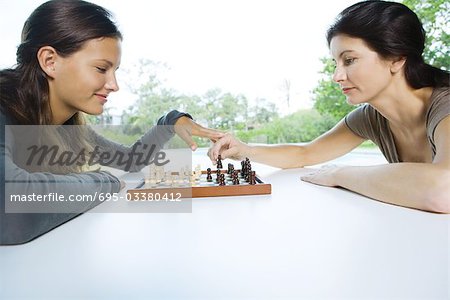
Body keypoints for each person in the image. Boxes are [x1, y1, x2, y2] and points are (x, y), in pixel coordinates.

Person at [0, 0, 224, 245]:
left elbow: (131, 160)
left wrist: (170, 121)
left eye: (115, 70)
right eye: (101, 69)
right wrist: (104, 181)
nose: (114, 85)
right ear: (50, 61)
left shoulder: (68, 129)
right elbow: (12, 209)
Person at [209, 0, 449, 213]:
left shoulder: (444, 104)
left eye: (349, 60)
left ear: (397, 58)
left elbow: (443, 190)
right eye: (336, 63)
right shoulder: (371, 118)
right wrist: (245, 150)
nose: (337, 76)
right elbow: (306, 153)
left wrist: (340, 174)